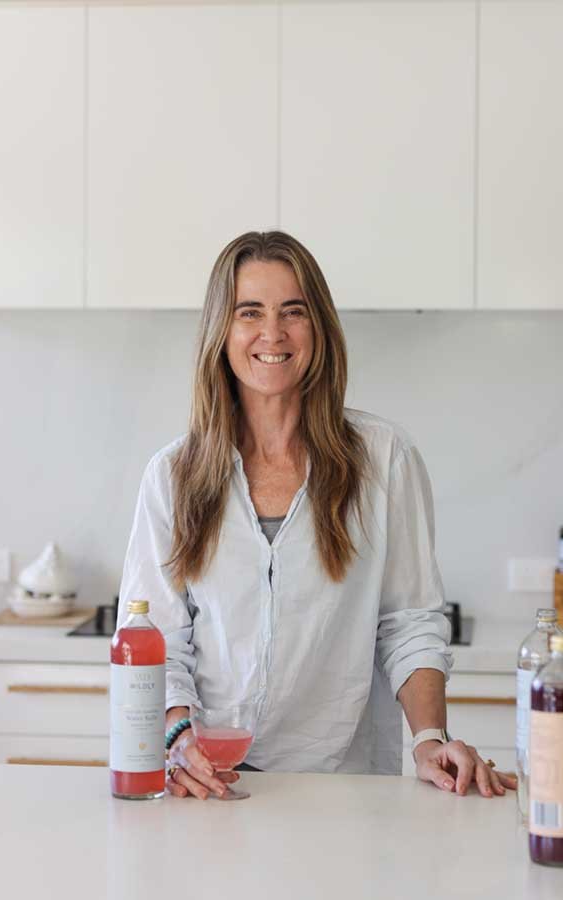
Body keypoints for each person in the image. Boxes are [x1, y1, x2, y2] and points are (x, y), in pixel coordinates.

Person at [118, 230, 517, 801]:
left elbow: (408, 621)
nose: (272, 333)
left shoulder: (384, 460)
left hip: (341, 789)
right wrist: (178, 737)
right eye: (248, 311)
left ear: (319, 329)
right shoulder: (173, 476)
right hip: (206, 787)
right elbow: (158, 640)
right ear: (221, 332)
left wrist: (431, 738)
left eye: (293, 312)